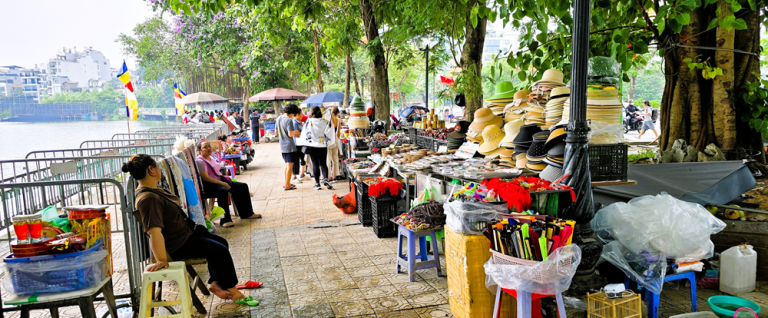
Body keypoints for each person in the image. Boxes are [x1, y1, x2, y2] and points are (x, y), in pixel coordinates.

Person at [122, 154, 246, 301]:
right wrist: (162, 259)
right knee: (219, 251)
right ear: (151, 170)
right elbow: (154, 232)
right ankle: (231, 290)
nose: (160, 169)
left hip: (186, 234)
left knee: (221, 243)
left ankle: (215, 283)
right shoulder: (148, 199)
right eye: (157, 166)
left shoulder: (153, 190)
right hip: (178, 244)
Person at [196, 141, 261, 227]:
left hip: (219, 181)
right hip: (209, 185)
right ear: (199, 150)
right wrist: (222, 183)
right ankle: (225, 220)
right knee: (222, 191)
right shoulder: (200, 161)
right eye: (205, 147)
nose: (208, 148)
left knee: (242, 186)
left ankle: (247, 213)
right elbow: (206, 178)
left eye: (209, 146)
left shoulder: (211, 157)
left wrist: (223, 181)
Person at [297, 106, 335, 190]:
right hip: (322, 145)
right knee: (323, 163)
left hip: (312, 146)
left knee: (315, 164)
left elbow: (305, 133)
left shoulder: (308, 121)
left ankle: (317, 184)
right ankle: (326, 178)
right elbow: (330, 131)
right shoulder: (325, 121)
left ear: (311, 113)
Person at [277, 104, 302, 190]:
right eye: (294, 114)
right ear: (292, 113)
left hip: (282, 146)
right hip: (289, 146)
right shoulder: (289, 120)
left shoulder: (278, 118)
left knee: (287, 165)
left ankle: (287, 183)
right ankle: (287, 185)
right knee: (290, 166)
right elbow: (290, 134)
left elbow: (276, 131)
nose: (293, 116)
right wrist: (297, 133)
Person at [327, 107, 342, 181]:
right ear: (338, 113)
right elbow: (339, 134)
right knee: (335, 159)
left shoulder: (328, 120)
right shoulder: (339, 121)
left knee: (328, 159)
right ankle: (335, 175)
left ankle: (329, 176)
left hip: (329, 141)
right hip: (335, 141)